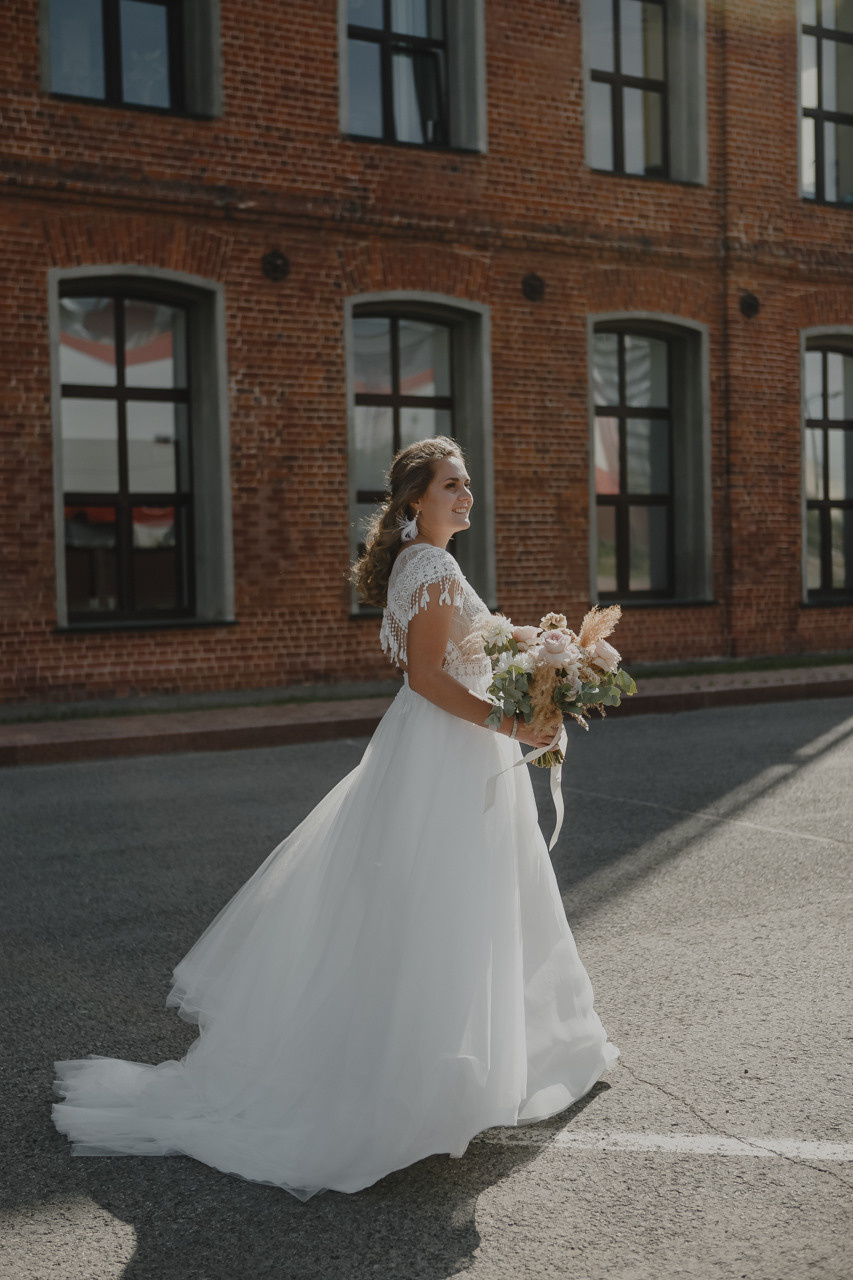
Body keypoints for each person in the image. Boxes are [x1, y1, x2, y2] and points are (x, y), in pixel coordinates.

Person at [52, 436, 618, 1200]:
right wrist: (512, 725)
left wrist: (551, 655)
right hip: (447, 756)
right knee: (439, 911)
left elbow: (478, 639)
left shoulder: (431, 564)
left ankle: (484, 1061)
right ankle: (416, 1082)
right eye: (450, 485)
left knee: (457, 908)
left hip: (454, 754)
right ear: (415, 498)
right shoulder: (429, 565)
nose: (465, 496)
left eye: (466, 484)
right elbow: (425, 679)